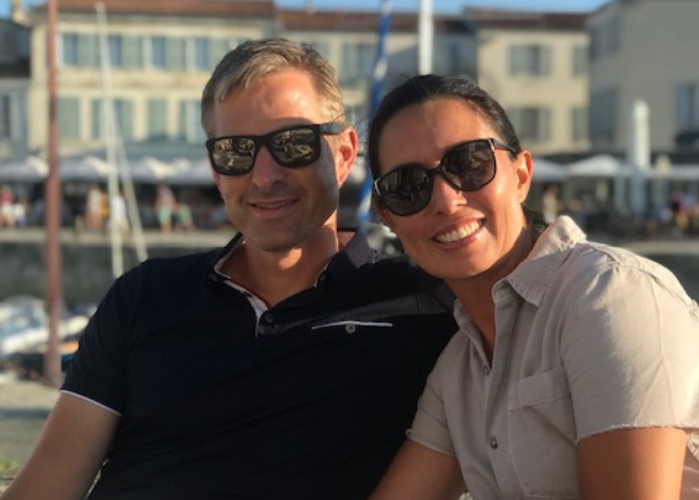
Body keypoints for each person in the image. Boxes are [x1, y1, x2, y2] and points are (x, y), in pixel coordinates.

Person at [1, 40, 456, 500]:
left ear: (342, 154)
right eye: (235, 152)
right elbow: (46, 488)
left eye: (292, 145)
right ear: (216, 171)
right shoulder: (145, 296)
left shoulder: (421, 311)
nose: (263, 176)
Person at [365, 74, 699, 500]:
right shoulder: (460, 370)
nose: (446, 200)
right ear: (388, 217)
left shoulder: (609, 296)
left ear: (521, 175)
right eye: (407, 187)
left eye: (469, 164)